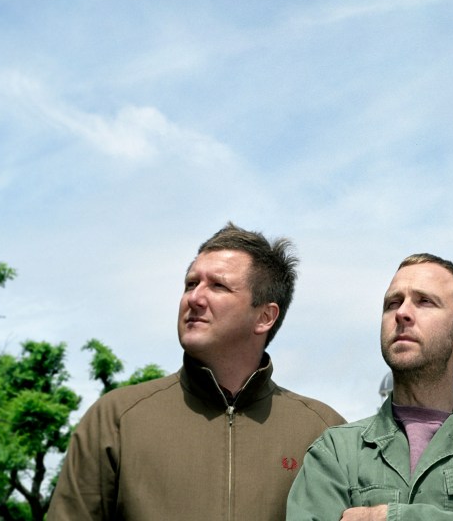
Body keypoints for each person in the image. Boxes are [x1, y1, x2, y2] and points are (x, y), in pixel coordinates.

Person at [48, 223, 345, 520]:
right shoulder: (115, 420)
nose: (195, 298)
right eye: (191, 284)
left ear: (265, 316)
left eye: (218, 286)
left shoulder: (325, 433)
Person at [286, 253, 453, 521]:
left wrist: (388, 517)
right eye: (392, 303)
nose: (402, 313)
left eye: (424, 301)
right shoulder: (336, 451)